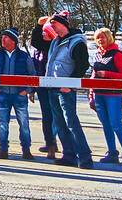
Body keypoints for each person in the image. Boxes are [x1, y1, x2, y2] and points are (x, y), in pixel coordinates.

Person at [30, 12, 93, 169]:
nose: (52, 27)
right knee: (59, 122)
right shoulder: (55, 41)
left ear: (62, 24)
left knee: (71, 122)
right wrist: (39, 25)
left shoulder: (76, 42)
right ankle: (69, 155)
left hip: (65, 89)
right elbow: (36, 42)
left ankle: (85, 157)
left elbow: (82, 65)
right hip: (52, 87)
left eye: (54, 24)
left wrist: (69, 84)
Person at [89, 27, 122, 167]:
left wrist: (107, 74)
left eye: (103, 37)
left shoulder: (117, 55)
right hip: (98, 94)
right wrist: (91, 94)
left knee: (116, 124)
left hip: (113, 94)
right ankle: (112, 152)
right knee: (106, 125)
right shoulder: (96, 54)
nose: (101, 40)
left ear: (109, 38)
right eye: (98, 38)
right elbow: (93, 75)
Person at [0, 29, 33, 160]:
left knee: (24, 123)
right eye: (2, 37)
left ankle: (26, 150)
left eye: (6, 37)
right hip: (3, 94)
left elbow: (32, 75)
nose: (3, 40)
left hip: (19, 95)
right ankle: (3, 149)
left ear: (13, 40)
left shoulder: (24, 56)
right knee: (3, 123)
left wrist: (26, 91)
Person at [30, 21, 58, 159]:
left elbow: (35, 40)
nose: (43, 35)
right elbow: (35, 68)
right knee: (46, 116)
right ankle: (50, 143)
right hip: (41, 87)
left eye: (46, 33)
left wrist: (39, 25)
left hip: (54, 87)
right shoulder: (37, 51)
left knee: (56, 116)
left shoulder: (53, 47)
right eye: (42, 33)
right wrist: (33, 89)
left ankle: (54, 145)